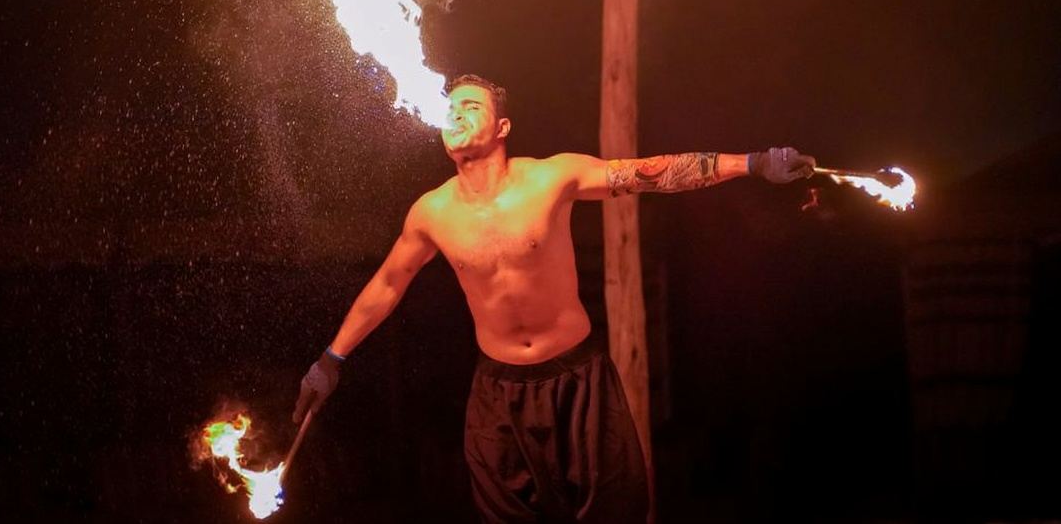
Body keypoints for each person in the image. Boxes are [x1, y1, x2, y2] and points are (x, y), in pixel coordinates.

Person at [293, 74, 815, 522]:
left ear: (502, 129)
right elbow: (388, 284)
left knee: (616, 512)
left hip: (577, 383)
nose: (455, 113)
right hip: (498, 394)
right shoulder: (430, 213)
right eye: (450, 107)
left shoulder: (551, 177)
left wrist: (751, 163)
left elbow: (652, 172)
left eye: (470, 106)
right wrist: (331, 359)